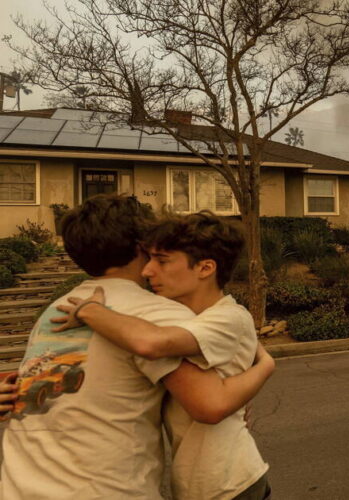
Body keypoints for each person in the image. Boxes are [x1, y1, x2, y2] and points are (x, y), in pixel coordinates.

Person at [0, 195, 273, 499]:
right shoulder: (157, 314)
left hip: (17, 485)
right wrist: (264, 366)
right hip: (101, 489)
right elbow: (210, 403)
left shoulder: (56, 310)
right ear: (141, 246)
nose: (151, 268)